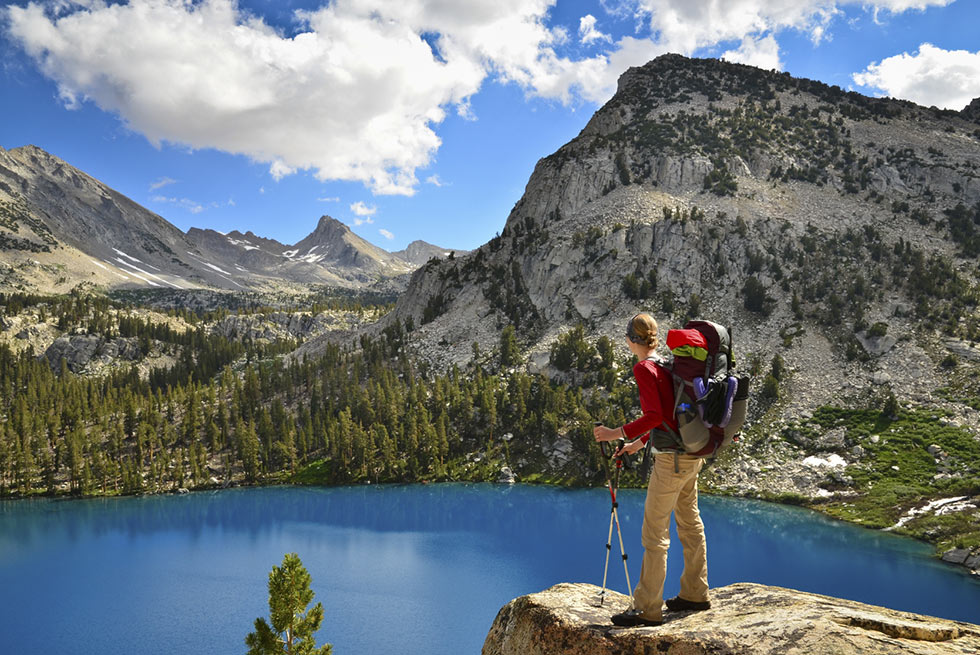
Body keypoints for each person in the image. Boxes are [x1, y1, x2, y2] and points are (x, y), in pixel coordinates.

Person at [593, 313, 710, 627]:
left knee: (654, 534)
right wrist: (639, 444)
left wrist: (616, 433)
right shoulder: (666, 365)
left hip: (671, 461)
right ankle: (695, 593)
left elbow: (656, 415)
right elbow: (670, 416)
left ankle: (648, 608)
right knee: (689, 521)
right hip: (691, 454)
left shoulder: (644, 368)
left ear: (632, 340)